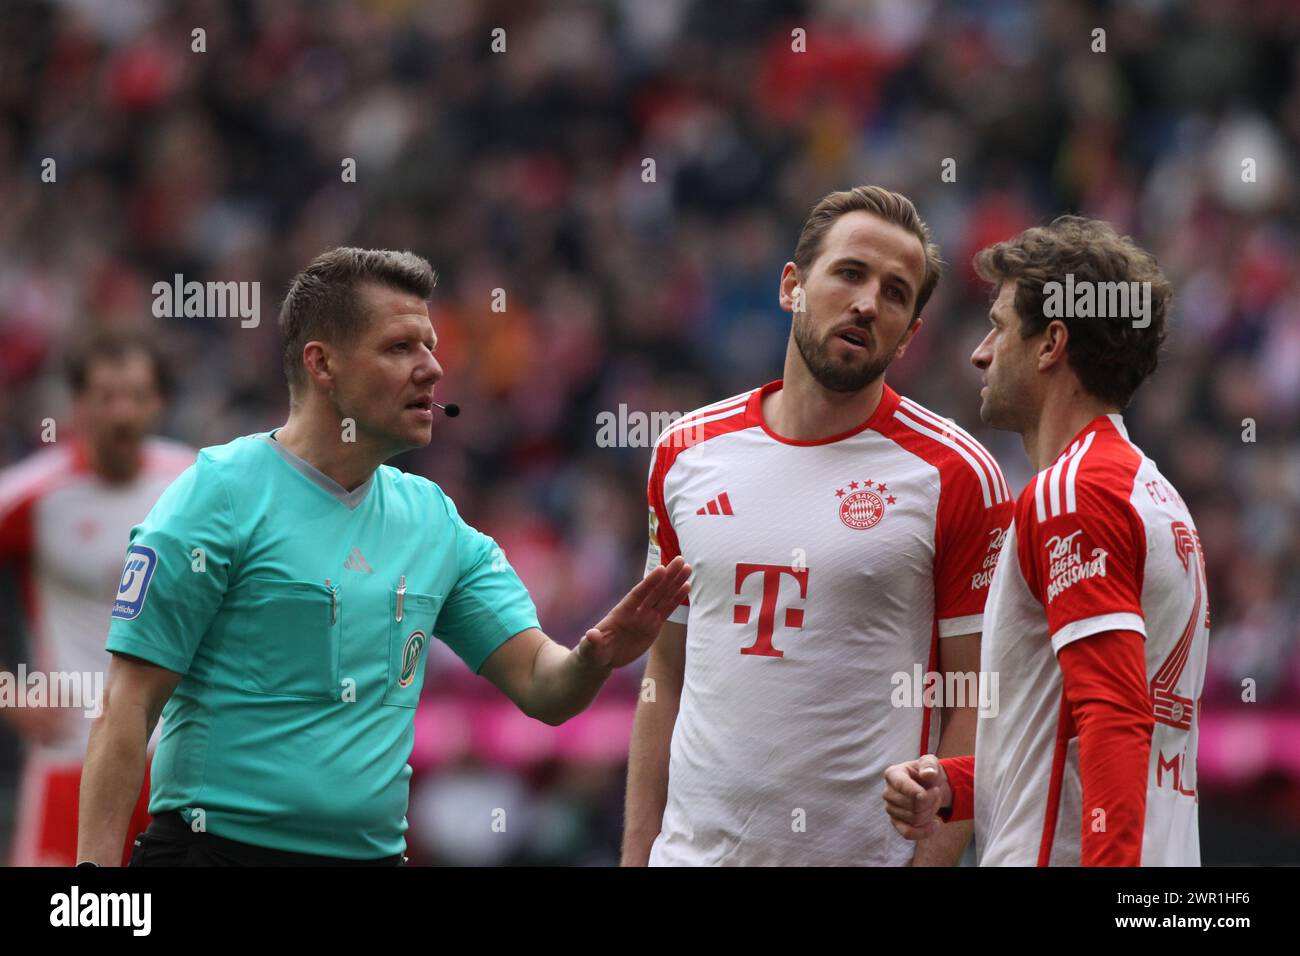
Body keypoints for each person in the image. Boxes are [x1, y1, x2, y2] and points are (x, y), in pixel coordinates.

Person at [76, 248, 690, 866]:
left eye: (430, 346)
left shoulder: (434, 521)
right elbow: (126, 712)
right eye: (400, 348)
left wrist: (593, 658)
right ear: (322, 365)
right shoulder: (216, 496)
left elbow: (541, 685)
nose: (432, 368)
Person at [622, 186, 1013, 866]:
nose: (868, 303)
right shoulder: (684, 452)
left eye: (896, 293)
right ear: (792, 287)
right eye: (850, 274)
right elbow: (667, 673)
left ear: (911, 334)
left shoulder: (955, 473)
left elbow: (977, 702)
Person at [882, 216, 1206, 866]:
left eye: (998, 326)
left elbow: (1114, 717)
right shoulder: (1155, 497)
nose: (980, 352)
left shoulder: (1072, 496)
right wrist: (959, 786)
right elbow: (1081, 739)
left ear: (1051, 343)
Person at [0, 331, 193, 866]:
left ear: (159, 403)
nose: (122, 413)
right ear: (79, 405)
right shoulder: (34, 494)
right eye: (106, 396)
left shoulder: (195, 484)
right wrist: (6, 690)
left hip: (176, 760)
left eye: (136, 395)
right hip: (72, 755)